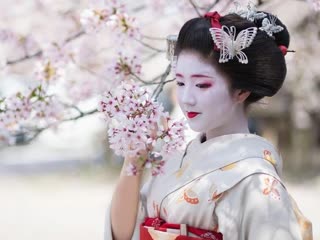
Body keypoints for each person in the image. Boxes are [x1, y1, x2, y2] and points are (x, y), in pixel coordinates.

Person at [104, 7, 313, 240]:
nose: (187, 98)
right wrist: (134, 162)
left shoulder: (256, 180)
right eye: (181, 83)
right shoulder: (175, 161)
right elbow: (123, 234)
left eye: (202, 85)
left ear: (241, 90)